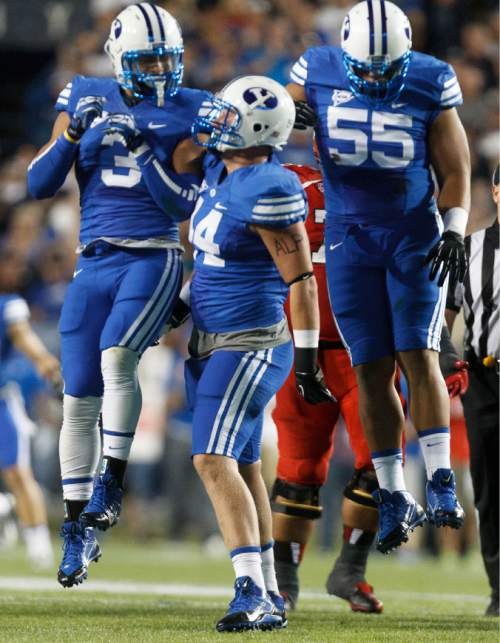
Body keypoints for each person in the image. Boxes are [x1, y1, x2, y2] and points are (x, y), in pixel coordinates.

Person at [27, 3, 211, 587]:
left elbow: (184, 203)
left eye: (167, 58)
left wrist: (146, 151)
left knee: (117, 357)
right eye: (146, 59)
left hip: (153, 255)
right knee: (77, 397)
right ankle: (77, 528)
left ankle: (112, 476)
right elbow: (38, 184)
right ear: (118, 60)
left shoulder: (191, 107)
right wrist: (74, 135)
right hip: (93, 262)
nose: (159, 70)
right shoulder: (84, 93)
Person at [287, 0, 470, 553]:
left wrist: (456, 229)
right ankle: (393, 493)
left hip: (412, 232)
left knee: (418, 354)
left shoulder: (431, 78)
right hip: (348, 238)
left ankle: (439, 478)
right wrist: (284, 115)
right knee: (370, 369)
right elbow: (273, 114)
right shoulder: (316, 68)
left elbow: (456, 167)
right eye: (363, 65)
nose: (373, 76)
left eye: (384, 65)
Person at [167, 75, 333, 632]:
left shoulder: (269, 184)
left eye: (228, 114)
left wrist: (307, 361)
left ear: (256, 129)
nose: (216, 119)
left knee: (211, 460)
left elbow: (302, 281)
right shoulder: (224, 172)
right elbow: (215, 264)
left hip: (250, 344)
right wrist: (182, 304)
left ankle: (250, 592)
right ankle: (269, 588)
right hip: (215, 341)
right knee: (241, 464)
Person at [271, 160, 470, 613]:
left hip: (362, 353)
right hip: (296, 346)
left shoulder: (390, 190)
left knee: (379, 464)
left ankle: (350, 570)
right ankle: (284, 581)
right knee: (298, 471)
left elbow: (415, 280)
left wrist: (438, 344)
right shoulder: (282, 180)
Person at [446, 164, 499, 617]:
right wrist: (445, 354)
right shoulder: (469, 249)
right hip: (483, 378)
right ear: (496, 192)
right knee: (488, 489)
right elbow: (442, 316)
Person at [0, 248, 61, 569]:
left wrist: (46, 364)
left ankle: (38, 543)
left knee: (18, 473)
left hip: (1, 401)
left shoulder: (10, 304)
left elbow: (24, 337)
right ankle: (4, 508)